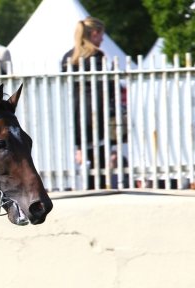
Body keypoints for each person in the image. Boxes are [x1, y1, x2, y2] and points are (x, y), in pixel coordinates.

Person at [61, 17, 116, 189]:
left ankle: (89, 187)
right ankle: (98, 188)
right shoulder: (97, 55)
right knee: (99, 161)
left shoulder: (68, 57)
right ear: (94, 33)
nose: (102, 39)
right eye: (101, 35)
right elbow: (105, 88)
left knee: (86, 156)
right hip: (95, 112)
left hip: (75, 113)